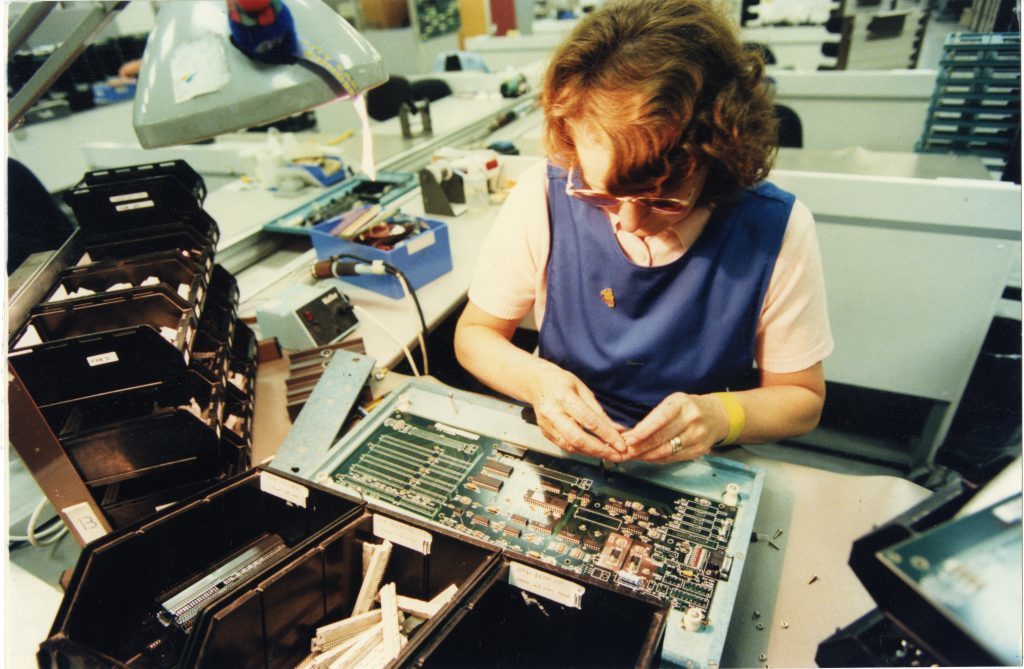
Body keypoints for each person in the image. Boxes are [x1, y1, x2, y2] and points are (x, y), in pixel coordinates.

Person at [453, 0, 834, 465]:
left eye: (663, 200)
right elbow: (474, 334)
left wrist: (720, 415)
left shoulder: (775, 229)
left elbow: (801, 399)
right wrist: (538, 383)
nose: (628, 224)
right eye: (602, 194)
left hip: (695, 459)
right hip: (558, 443)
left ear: (718, 162)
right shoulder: (544, 194)